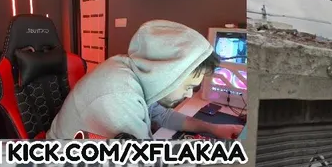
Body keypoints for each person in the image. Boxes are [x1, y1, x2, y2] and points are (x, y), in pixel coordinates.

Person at [48, 20, 243, 140]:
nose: (189, 94)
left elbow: (162, 116)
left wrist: (214, 128)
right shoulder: (118, 97)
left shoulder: (136, 72)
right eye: (189, 86)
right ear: (170, 73)